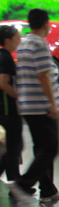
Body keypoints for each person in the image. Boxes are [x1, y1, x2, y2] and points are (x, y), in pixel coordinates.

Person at [10, 9, 59, 203]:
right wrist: (52, 104)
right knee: (50, 148)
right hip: (41, 106)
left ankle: (48, 190)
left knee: (41, 149)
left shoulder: (24, 44)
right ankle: (23, 185)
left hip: (28, 105)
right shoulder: (39, 44)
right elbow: (43, 76)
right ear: (45, 24)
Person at [0, 25, 23, 184]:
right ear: (8, 40)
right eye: (17, 38)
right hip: (7, 109)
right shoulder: (6, 58)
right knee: (14, 146)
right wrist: (17, 96)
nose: (19, 40)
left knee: (13, 146)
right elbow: (3, 83)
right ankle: (15, 181)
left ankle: (14, 180)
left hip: (4, 108)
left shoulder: (4, 56)